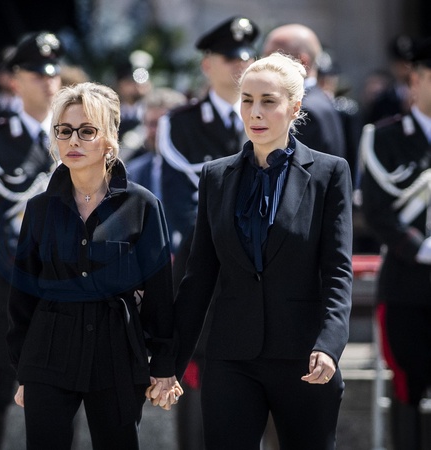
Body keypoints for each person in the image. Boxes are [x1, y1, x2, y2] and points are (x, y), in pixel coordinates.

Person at [173, 52, 352, 449]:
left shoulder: (329, 173)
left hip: (305, 356)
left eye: (268, 101)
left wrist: (329, 345)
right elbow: (198, 277)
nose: (255, 112)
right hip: (231, 355)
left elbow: (338, 270)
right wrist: (171, 363)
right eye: (247, 100)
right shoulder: (215, 175)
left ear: (295, 107)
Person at [6, 81, 181, 450]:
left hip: (117, 352)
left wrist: (164, 365)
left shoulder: (142, 205)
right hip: (48, 353)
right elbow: (22, 294)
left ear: (109, 138)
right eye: (64, 131)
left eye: (87, 131)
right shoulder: (39, 208)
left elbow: (160, 294)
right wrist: (23, 370)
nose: (74, 141)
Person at [155, 15, 259, 450]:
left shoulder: (268, 118)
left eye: (245, 57)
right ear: (207, 65)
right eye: (229, 58)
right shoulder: (181, 123)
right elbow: (182, 207)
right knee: (199, 390)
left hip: (263, 273)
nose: (239, 66)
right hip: (209, 271)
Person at [0, 30, 62, 450]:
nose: (48, 81)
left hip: (64, 282)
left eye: (53, 72)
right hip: (8, 280)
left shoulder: (76, 133)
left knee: (62, 391)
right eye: (37, 73)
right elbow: (4, 203)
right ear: (15, 79)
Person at [360, 37, 431, 450]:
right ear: (415, 81)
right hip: (407, 285)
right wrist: (420, 248)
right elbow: (377, 210)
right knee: (407, 388)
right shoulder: (384, 137)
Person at [262, 23, 348, 162]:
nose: (263, 65)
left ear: (302, 61)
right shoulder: (320, 98)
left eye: (272, 58)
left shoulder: (302, 108)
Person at [124, 86, 187, 198]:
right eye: (152, 124)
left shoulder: (198, 171)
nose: (158, 131)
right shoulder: (132, 174)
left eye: (164, 124)